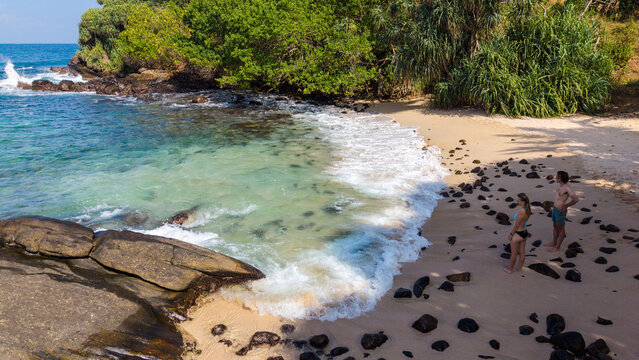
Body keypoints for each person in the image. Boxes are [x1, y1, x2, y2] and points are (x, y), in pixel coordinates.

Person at [545, 170, 579, 252]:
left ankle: (557, 247)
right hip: (555, 209)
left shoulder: (567, 187)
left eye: (557, 176)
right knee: (555, 226)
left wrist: (566, 205)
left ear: (561, 178)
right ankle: (554, 243)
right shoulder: (560, 186)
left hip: (560, 211)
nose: (556, 177)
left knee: (561, 229)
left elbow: (575, 199)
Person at [504, 193, 532, 274]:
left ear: (523, 201)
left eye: (518, 200)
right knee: (522, 252)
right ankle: (519, 268)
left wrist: (511, 234)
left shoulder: (521, 212)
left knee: (514, 253)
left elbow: (516, 225)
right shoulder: (528, 209)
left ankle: (510, 269)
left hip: (518, 233)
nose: (517, 201)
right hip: (524, 232)